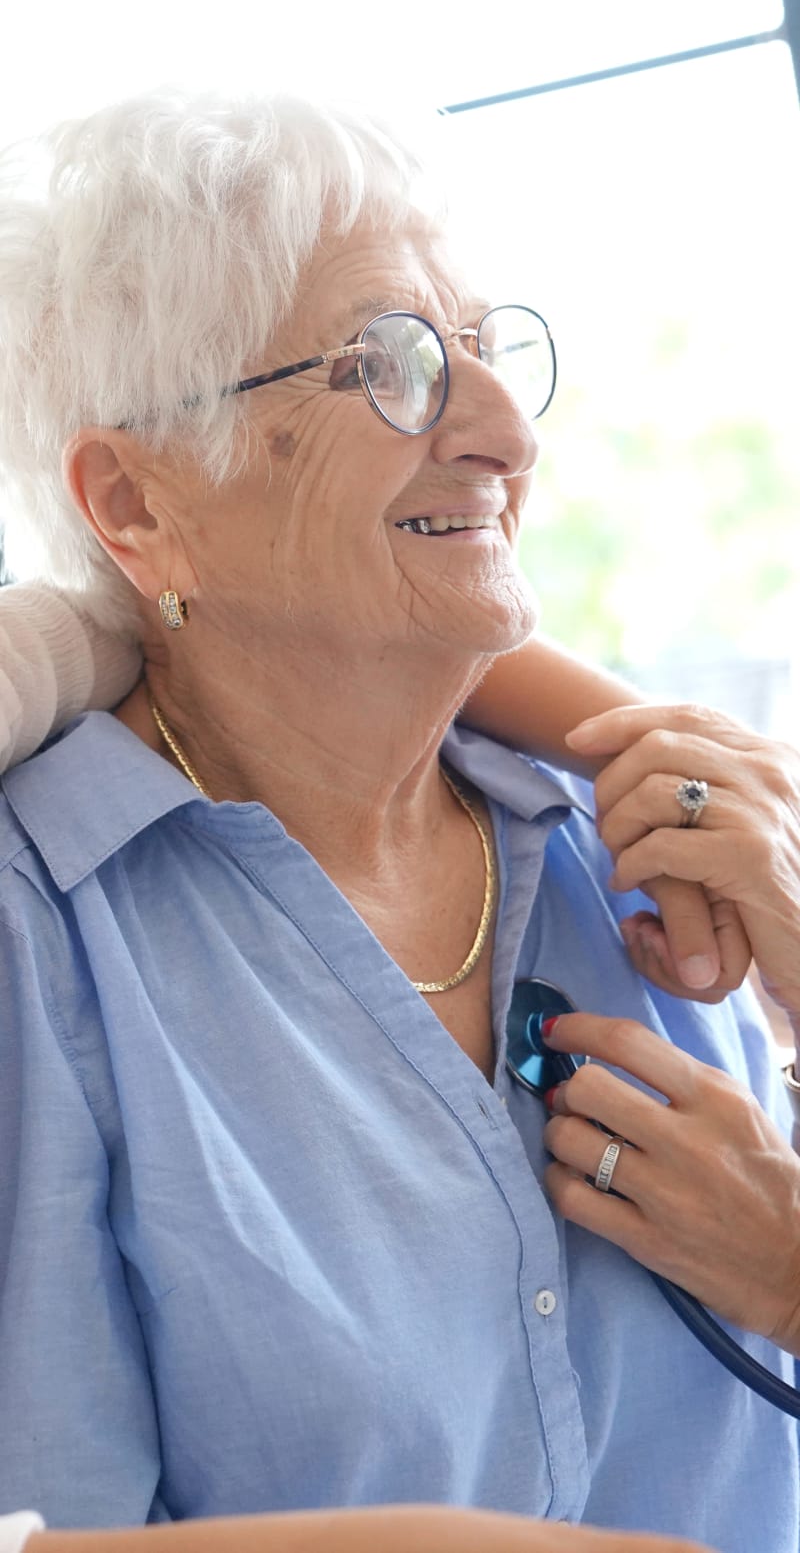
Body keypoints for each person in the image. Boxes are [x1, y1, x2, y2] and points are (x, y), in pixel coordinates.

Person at [0, 91, 796, 1553]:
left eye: (489, 350)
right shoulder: (46, 940)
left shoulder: (645, 853)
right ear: (138, 503)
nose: (504, 433)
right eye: (393, 363)